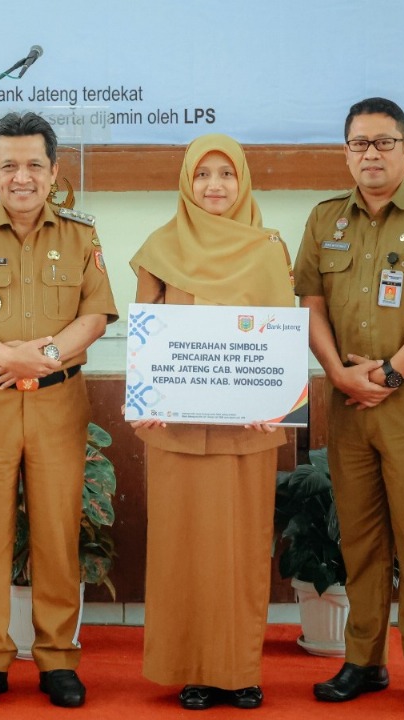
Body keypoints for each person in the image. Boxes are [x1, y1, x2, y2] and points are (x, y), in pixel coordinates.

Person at [293, 97, 404, 715]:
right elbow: (311, 306)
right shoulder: (324, 220)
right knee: (361, 538)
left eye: (383, 142)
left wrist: (392, 373)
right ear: (346, 151)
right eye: (359, 143)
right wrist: (338, 374)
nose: (370, 153)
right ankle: (363, 661)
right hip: (347, 400)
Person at [0, 111, 118, 709]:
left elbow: (94, 316)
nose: (22, 177)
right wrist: (9, 359)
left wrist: (38, 356)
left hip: (57, 401)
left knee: (58, 532)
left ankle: (57, 658)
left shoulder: (80, 235)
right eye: (9, 165)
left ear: (54, 171)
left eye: (34, 165)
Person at [127, 134, 295, 710]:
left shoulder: (269, 248)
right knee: (183, 550)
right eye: (203, 175)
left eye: (226, 173)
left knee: (242, 552)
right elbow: (144, 330)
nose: (215, 185)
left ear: (243, 180)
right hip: (174, 432)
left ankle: (239, 670)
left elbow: (281, 333)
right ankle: (194, 670)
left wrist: (274, 401)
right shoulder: (160, 248)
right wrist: (144, 403)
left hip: (246, 433)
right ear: (186, 182)